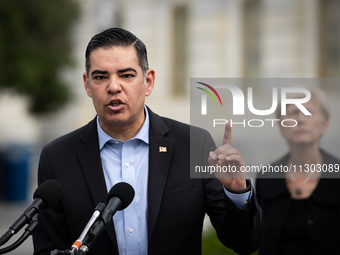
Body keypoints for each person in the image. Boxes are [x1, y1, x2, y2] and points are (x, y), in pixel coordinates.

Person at [33, 27, 263, 255]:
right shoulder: (58, 157)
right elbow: (48, 249)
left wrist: (237, 193)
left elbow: (244, 243)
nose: (113, 87)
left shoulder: (194, 144)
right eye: (101, 77)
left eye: (126, 75)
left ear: (148, 81)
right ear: (87, 84)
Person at [256, 88, 340, 254]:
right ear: (281, 126)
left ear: (324, 124)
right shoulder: (266, 177)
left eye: (308, 112)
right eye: (293, 112)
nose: (300, 119)